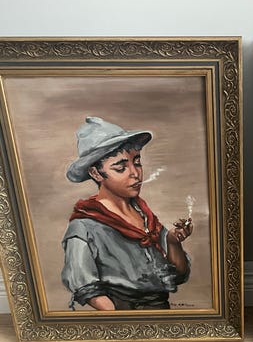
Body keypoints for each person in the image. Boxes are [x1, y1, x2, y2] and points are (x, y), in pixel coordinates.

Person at [61, 116, 193, 311]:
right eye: (120, 167)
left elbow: (180, 274)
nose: (135, 173)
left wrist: (172, 242)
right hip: (122, 314)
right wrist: (121, 318)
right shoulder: (84, 226)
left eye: (137, 162)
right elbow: (85, 287)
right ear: (95, 173)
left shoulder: (146, 217)